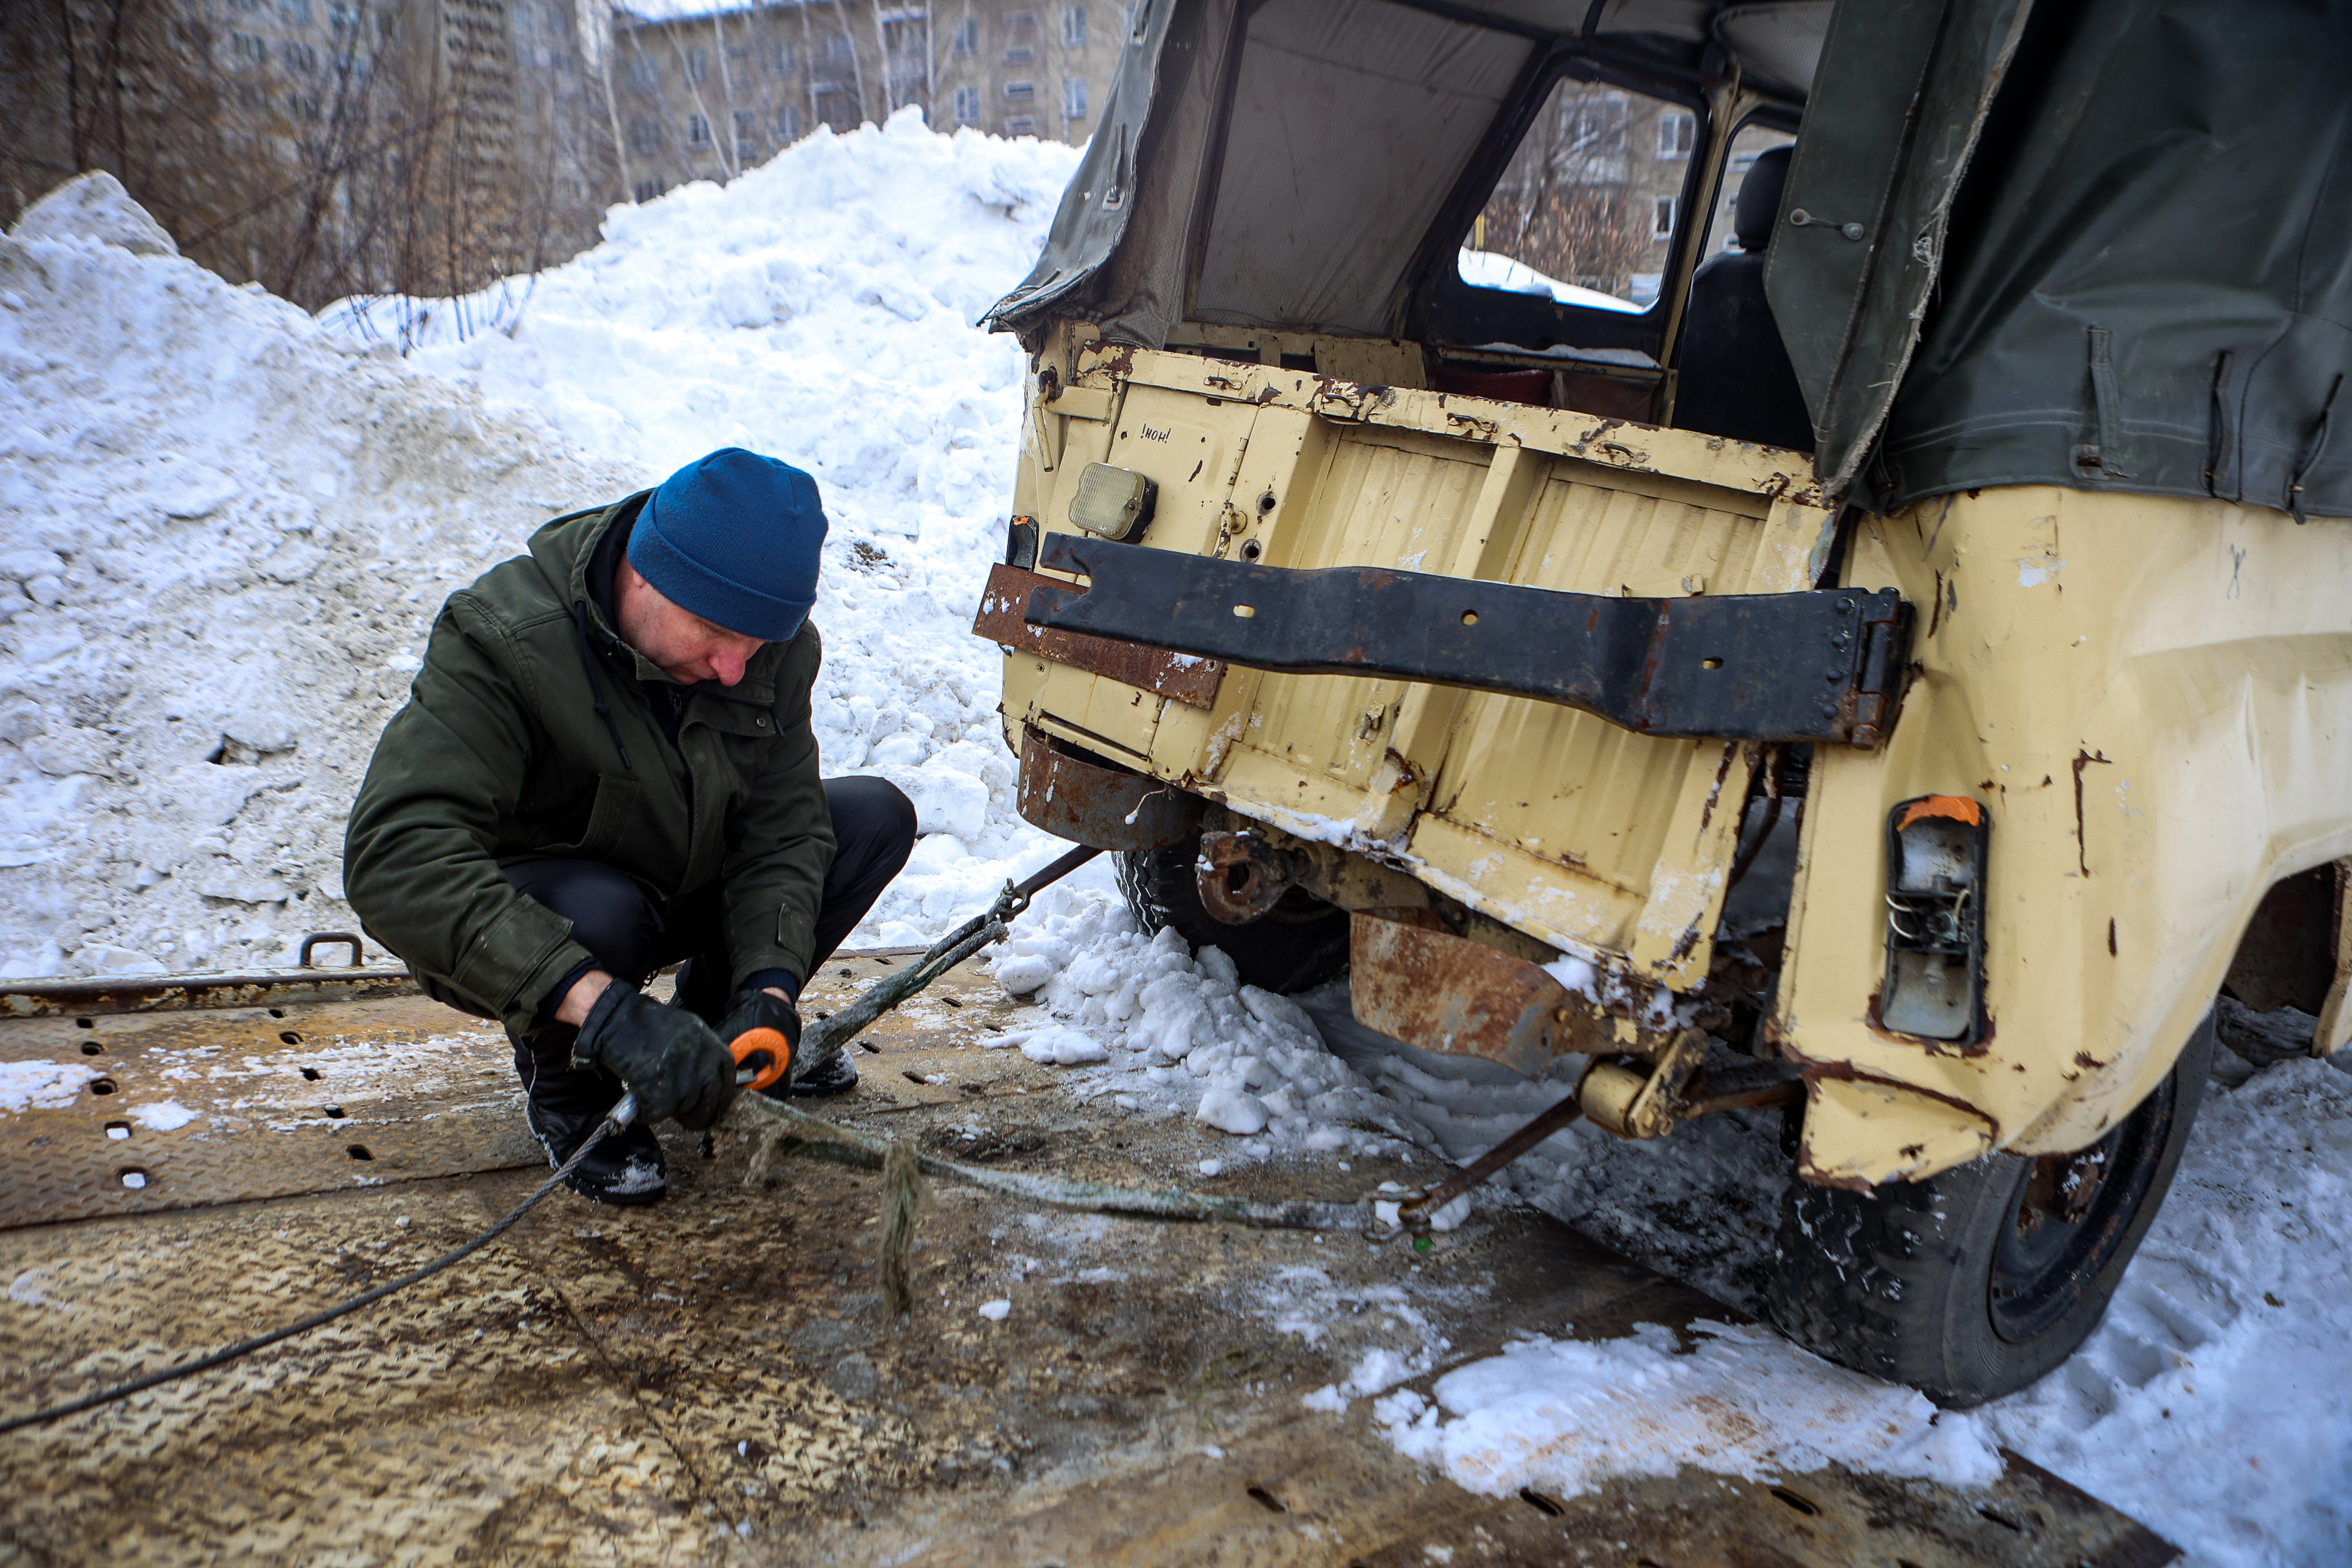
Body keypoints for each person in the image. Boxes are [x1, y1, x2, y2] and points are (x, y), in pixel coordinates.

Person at [343, 448, 916, 1206]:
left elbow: (783, 828)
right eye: (715, 631)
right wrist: (610, 1015)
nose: (736, 668)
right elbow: (394, 855)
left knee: (871, 818)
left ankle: (711, 1043)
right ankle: (570, 1089)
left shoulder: (765, 650)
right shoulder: (507, 639)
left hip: (677, 876)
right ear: (646, 574)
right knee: (602, 908)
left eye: (757, 642)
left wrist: (770, 989)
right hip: (543, 926)